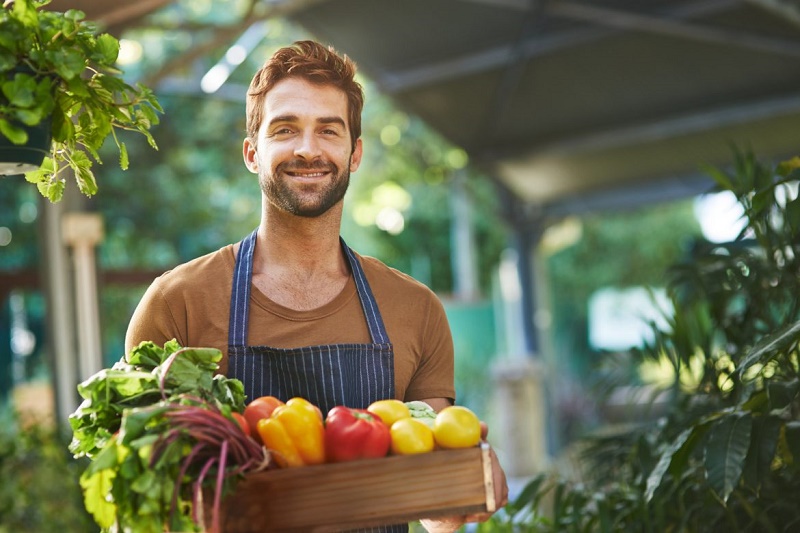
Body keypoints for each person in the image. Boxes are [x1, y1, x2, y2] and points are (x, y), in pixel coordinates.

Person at [125, 40, 508, 533]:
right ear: (251, 152)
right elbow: (141, 497)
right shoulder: (176, 303)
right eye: (285, 130)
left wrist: (464, 483)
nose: (308, 148)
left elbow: (434, 507)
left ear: (355, 154)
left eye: (329, 130)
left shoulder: (414, 308)